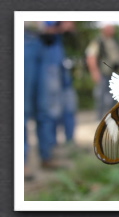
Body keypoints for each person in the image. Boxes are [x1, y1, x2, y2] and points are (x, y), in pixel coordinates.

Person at [24, 21, 76, 180]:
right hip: (25, 42)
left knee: (46, 107)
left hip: (50, 47)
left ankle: (46, 156)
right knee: (21, 108)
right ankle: (21, 162)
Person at [86, 22, 119, 121]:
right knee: (102, 98)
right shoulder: (98, 41)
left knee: (114, 98)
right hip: (104, 74)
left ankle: (113, 118)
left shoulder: (115, 41)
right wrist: (95, 72)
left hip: (115, 74)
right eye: (110, 27)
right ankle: (100, 120)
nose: (113, 29)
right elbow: (91, 57)